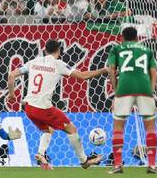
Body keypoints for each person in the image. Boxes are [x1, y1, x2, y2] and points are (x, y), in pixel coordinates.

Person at [8, 39, 107, 170]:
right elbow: (83, 76)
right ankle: (84, 161)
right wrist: (104, 70)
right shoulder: (58, 64)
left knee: (48, 129)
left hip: (28, 107)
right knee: (71, 129)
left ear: (45, 50)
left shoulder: (34, 62)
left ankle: (40, 154)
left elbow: (11, 75)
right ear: (59, 51)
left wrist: (11, 94)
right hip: (43, 108)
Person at [107, 27, 157, 174]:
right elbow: (154, 73)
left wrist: (116, 89)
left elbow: (111, 70)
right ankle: (152, 165)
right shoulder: (147, 50)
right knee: (150, 127)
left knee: (118, 127)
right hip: (144, 89)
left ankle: (117, 165)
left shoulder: (117, 49)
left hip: (124, 89)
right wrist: (150, 90)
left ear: (122, 37)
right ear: (137, 37)